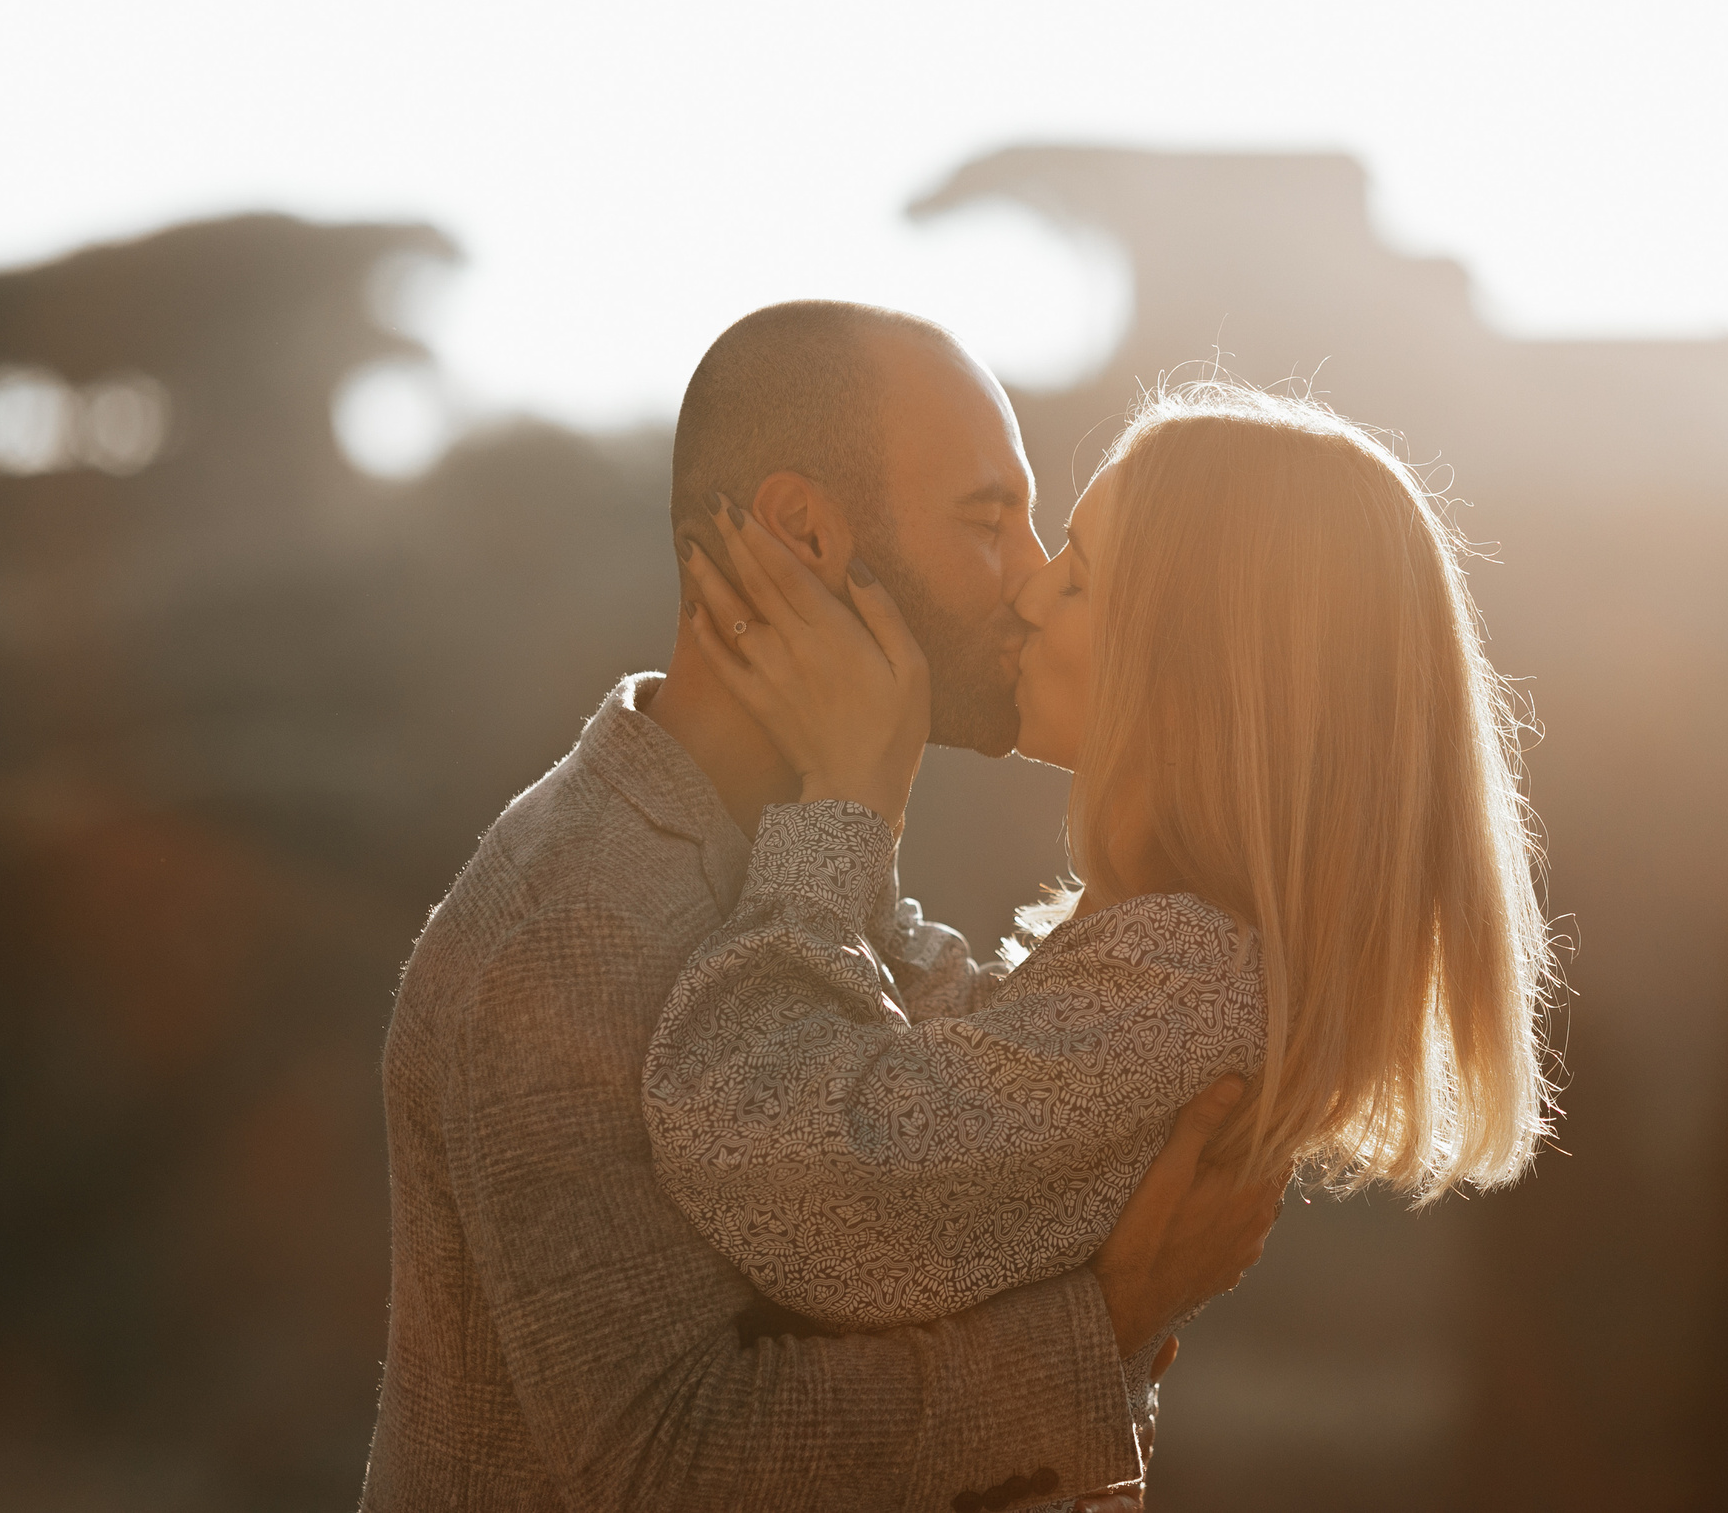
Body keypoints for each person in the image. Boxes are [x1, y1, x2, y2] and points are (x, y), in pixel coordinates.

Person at [360, 304, 1285, 1513]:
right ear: (806, 533)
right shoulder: (567, 932)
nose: (1026, 586)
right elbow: (672, 1464)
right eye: (986, 521)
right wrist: (1103, 1324)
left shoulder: (803, 851)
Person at [644, 381, 1559, 1495]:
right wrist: (860, 805)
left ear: (1197, 669)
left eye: (1076, 577)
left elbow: (759, 1148)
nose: (1027, 596)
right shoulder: (1177, 965)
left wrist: (841, 804)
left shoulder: (1183, 979)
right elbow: (947, 1097)